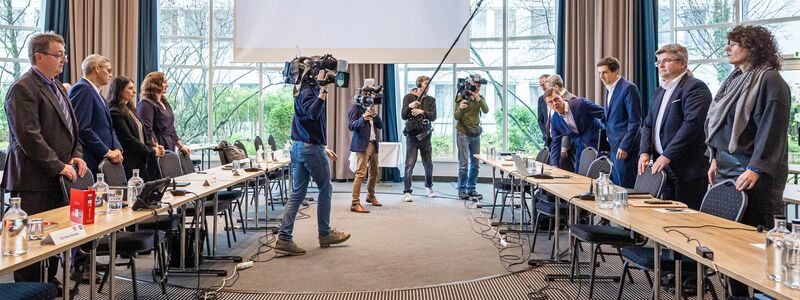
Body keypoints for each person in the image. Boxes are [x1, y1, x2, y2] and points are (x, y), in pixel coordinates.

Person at [704, 25, 790, 297]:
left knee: (752, 242)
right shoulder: (734, 79)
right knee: (728, 240)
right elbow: (721, 124)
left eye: (734, 43)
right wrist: (715, 157)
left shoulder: (770, 80)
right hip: (727, 168)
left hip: (755, 173)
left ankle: (764, 293)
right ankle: (737, 293)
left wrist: (755, 167)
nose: (728, 48)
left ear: (753, 47)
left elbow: (772, 128)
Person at [2, 32, 87, 284]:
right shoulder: (22, 87)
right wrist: (58, 165)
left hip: (57, 179)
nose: (64, 60)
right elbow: (29, 137)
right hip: (33, 183)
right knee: (32, 251)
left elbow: (72, 129)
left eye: (64, 54)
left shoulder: (58, 86)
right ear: (39, 57)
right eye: (58, 55)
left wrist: (76, 155)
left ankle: (47, 288)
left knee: (52, 246)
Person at [274, 64, 350, 256]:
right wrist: (324, 90)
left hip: (300, 147)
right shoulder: (308, 91)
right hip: (309, 149)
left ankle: (284, 239)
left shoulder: (302, 90)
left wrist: (322, 147)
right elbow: (313, 114)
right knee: (326, 188)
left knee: (297, 193)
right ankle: (325, 234)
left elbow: (305, 123)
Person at [638, 44, 711, 210]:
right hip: (662, 166)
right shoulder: (659, 91)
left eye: (666, 61)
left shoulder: (695, 87)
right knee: (668, 216)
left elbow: (692, 125)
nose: (661, 65)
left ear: (682, 64)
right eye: (658, 62)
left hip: (687, 168)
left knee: (686, 221)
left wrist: (667, 155)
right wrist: (644, 152)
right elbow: (648, 124)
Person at [69, 54, 123, 175]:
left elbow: (110, 128)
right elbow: (82, 128)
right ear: (97, 69)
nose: (110, 75)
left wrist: (117, 148)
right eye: (108, 70)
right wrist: (106, 151)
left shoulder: (99, 95)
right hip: (91, 159)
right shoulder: (83, 89)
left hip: (104, 159)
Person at [108, 76, 165, 180]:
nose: (134, 91)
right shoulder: (115, 111)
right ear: (119, 90)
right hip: (129, 163)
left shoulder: (129, 109)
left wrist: (152, 147)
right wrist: (151, 152)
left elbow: (141, 135)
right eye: (130, 88)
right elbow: (128, 139)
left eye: (133, 88)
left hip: (140, 161)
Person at [597, 57, 641, 188]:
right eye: (599, 73)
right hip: (613, 146)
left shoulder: (628, 88)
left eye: (605, 72)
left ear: (615, 71)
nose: (601, 76)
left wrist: (625, 146)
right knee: (617, 185)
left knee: (625, 187)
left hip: (625, 147)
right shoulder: (609, 89)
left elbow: (635, 121)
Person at [545, 88, 605, 171]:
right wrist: (554, 165)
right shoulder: (555, 119)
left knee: (601, 175)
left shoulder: (580, 104)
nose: (554, 103)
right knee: (579, 175)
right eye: (550, 102)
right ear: (548, 105)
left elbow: (604, 114)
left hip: (599, 145)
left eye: (556, 99)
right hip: (580, 148)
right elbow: (556, 143)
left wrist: (609, 137)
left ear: (562, 97)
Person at [137, 72, 191, 156]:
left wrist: (180, 146)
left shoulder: (165, 103)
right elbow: (147, 130)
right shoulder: (146, 103)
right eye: (164, 82)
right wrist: (155, 147)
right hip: (158, 146)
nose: (167, 85)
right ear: (154, 84)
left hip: (169, 144)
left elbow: (171, 128)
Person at [401, 75, 437, 202]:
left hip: (426, 135)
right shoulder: (408, 97)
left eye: (429, 83)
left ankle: (429, 186)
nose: (428, 86)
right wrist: (410, 106)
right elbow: (403, 115)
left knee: (428, 163)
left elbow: (433, 117)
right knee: (409, 164)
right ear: (419, 84)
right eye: (426, 83)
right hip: (412, 135)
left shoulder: (431, 100)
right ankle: (407, 191)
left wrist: (423, 112)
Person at [347, 91, 383, 213]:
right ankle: (355, 203)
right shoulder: (355, 108)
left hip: (373, 143)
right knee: (361, 173)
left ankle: (370, 196)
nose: (369, 96)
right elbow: (351, 126)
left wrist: (375, 114)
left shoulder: (371, 107)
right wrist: (363, 118)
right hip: (362, 144)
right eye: (367, 94)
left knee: (374, 172)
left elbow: (380, 125)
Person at [454, 74, 489, 200]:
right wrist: (461, 108)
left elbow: (486, 110)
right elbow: (456, 117)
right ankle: (462, 189)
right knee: (464, 164)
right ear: (470, 84)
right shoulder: (461, 97)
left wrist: (478, 98)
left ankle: (471, 188)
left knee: (475, 164)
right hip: (463, 132)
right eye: (475, 85)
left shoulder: (480, 98)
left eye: (479, 85)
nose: (477, 87)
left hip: (475, 134)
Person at [544, 74, 579, 170]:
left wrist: (564, 146)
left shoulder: (571, 99)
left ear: (555, 87)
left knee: (567, 170)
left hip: (568, 146)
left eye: (548, 88)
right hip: (555, 140)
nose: (547, 91)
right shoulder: (551, 99)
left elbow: (570, 126)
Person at [535, 74, 551, 147]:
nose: (543, 87)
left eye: (544, 84)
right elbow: (540, 120)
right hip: (548, 138)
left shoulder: (558, 98)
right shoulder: (541, 99)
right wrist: (545, 134)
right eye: (541, 85)